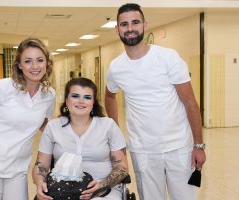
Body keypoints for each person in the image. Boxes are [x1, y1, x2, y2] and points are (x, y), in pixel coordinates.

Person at [105, 3, 206, 200]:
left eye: (135, 22)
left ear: (144, 25)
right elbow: (109, 96)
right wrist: (116, 135)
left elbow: (190, 102)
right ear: (117, 29)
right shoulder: (116, 67)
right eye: (124, 24)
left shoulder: (168, 58)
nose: (130, 28)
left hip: (178, 147)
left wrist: (199, 145)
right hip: (142, 151)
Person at [0, 38, 55, 200]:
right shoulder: (2, 87)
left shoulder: (48, 94)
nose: (35, 66)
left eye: (40, 60)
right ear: (19, 65)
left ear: (47, 63)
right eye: (28, 61)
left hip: (18, 167)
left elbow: (43, 122)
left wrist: (67, 132)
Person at [32, 77, 128, 200]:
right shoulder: (53, 126)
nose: (81, 101)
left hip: (104, 190)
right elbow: (41, 165)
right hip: (62, 189)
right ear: (66, 100)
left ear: (93, 102)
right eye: (75, 96)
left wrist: (101, 185)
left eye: (87, 97)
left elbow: (122, 167)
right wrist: (40, 183)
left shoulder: (108, 126)